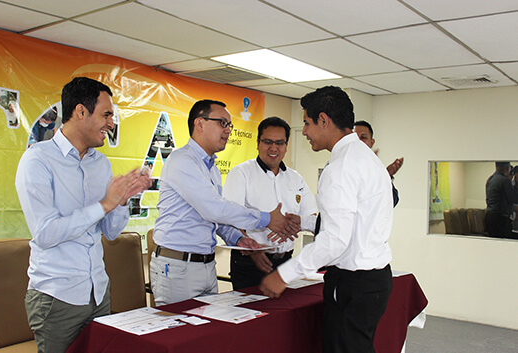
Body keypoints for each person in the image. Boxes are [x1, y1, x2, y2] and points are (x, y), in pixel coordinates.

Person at [15, 77, 151, 353]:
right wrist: (104, 204)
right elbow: (46, 233)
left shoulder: (100, 163)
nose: (111, 123)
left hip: (98, 291)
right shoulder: (37, 161)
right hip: (57, 296)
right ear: (80, 112)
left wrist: (122, 200)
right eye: (106, 114)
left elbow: (111, 232)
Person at [260, 86, 393, 353]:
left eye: (307, 123)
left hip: (352, 284)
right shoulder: (366, 157)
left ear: (324, 120)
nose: (305, 132)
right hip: (375, 280)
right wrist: (307, 223)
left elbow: (335, 241)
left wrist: (284, 275)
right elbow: (355, 222)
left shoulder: (340, 168)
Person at [150, 99, 299, 305]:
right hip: (178, 266)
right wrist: (266, 219)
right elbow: (214, 210)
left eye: (229, 125)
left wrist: (237, 239)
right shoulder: (182, 161)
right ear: (200, 124)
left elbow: (214, 220)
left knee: (208, 334)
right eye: (222, 123)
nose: (228, 130)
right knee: (177, 333)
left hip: (206, 264)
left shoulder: (211, 167)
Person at [223, 116, 318, 290]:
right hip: (249, 264)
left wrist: (292, 226)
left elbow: (310, 215)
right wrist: (254, 252)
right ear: (258, 143)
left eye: (280, 143)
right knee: (249, 315)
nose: (273, 148)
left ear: (286, 146)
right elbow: (230, 218)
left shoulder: (295, 178)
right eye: (268, 142)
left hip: (286, 263)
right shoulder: (241, 173)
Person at [354, 120, 403, 207]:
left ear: (372, 142)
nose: (359, 141)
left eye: (363, 137)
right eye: (355, 138)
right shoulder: (339, 165)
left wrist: (385, 176)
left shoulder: (374, 169)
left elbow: (392, 201)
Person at [485, 162, 518, 238]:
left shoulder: (490, 179)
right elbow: (514, 198)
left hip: (490, 216)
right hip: (501, 219)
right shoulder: (504, 181)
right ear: (508, 168)